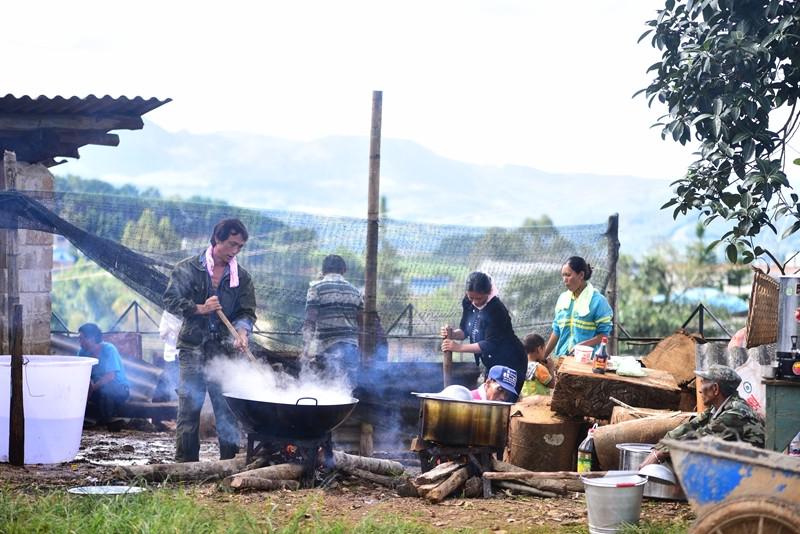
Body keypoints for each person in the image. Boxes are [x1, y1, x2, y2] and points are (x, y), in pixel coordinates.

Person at [163, 218, 257, 462]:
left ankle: (229, 464)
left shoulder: (242, 278)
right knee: (189, 407)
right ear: (217, 239)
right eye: (231, 244)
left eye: (240, 247)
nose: (234, 251)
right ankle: (185, 465)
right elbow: (170, 300)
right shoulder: (188, 268)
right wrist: (200, 308)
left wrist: (242, 332)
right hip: (192, 347)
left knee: (226, 409)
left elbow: (247, 313)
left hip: (223, 352)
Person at [640, 364, 765, 467]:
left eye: (703, 383)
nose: (699, 390)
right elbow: (689, 427)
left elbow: (698, 439)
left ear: (715, 389)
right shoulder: (716, 409)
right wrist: (660, 446)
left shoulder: (736, 413)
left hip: (751, 473)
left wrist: (660, 454)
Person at [440, 272, 527, 395]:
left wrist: (458, 347)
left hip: (510, 362)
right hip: (491, 364)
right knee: (488, 398)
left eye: (479, 298)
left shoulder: (497, 310)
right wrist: (452, 334)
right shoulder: (468, 302)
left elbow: (490, 344)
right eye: (471, 298)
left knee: (502, 399)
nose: (475, 302)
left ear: (488, 292)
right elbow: (465, 331)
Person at [302, 254, 364, 383]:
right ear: (344, 270)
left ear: (323, 271)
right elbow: (361, 325)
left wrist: (306, 349)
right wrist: (360, 352)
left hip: (327, 349)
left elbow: (310, 320)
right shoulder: (355, 292)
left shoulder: (316, 289)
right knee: (347, 389)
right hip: (350, 350)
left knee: (326, 389)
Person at [544, 256, 613, 362]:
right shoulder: (563, 299)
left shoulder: (598, 301)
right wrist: (542, 357)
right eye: (563, 276)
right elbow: (556, 331)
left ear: (581, 275)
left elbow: (604, 335)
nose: (565, 280)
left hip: (586, 362)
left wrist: (581, 346)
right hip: (562, 361)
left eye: (568, 275)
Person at [77, 323, 130, 430]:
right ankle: (104, 420)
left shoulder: (109, 349)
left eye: (81, 338)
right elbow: (79, 373)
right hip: (95, 388)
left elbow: (110, 376)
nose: (79, 341)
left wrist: (92, 387)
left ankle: (108, 420)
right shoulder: (82, 352)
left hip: (119, 389)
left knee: (106, 389)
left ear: (91, 338)